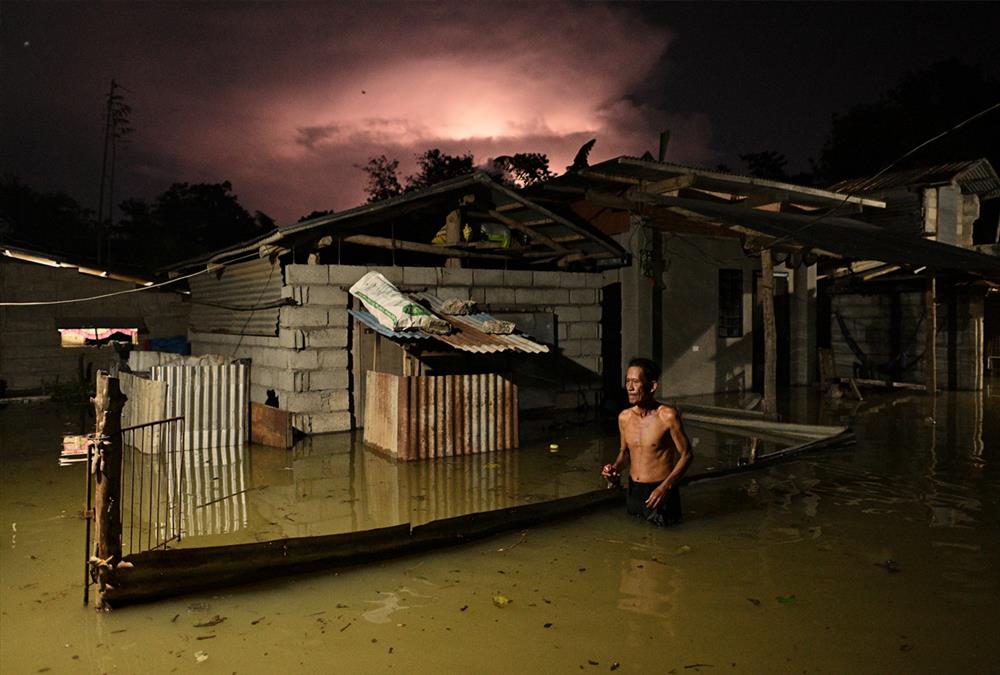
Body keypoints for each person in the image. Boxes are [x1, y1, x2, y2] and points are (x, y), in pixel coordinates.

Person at [602, 358, 693, 527]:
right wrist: (614, 470)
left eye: (635, 382)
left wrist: (666, 487)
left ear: (652, 386)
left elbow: (687, 455)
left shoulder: (667, 416)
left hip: (661, 491)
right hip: (634, 491)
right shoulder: (624, 417)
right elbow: (625, 453)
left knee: (666, 545)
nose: (629, 388)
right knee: (634, 540)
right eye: (627, 381)